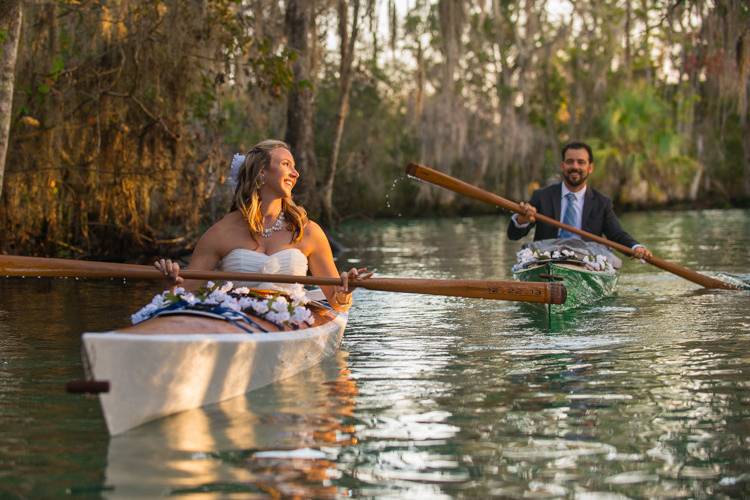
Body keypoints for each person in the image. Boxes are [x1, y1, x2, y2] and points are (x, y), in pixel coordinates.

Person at [155, 139, 371, 313]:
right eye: (286, 165)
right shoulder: (221, 232)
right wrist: (171, 282)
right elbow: (182, 295)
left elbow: (337, 303)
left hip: (292, 320)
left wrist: (345, 289)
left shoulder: (308, 231)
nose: (296, 174)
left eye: (294, 167)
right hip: (234, 320)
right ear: (261, 173)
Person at [507, 141, 652, 260]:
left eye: (581, 162)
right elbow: (513, 235)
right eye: (570, 162)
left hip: (586, 261)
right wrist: (522, 219)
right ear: (563, 166)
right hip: (547, 258)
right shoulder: (541, 196)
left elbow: (617, 235)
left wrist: (635, 247)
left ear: (590, 168)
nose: (575, 166)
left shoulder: (602, 203)